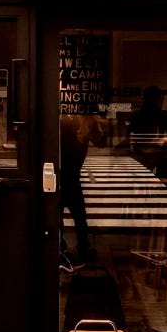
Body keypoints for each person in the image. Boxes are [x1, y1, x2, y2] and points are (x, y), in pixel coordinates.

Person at [59, 111, 107, 266]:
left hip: (64, 173)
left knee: (64, 214)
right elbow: (101, 141)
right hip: (69, 174)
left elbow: (100, 142)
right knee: (79, 215)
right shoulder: (85, 119)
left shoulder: (66, 118)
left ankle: (62, 245)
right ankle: (82, 246)